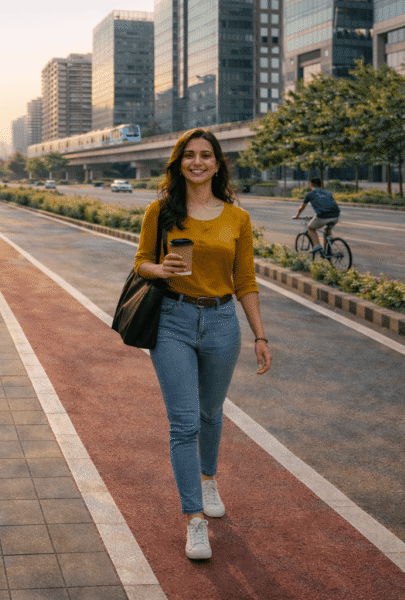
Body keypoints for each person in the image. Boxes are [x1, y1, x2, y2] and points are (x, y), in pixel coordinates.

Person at [135, 128, 272, 561]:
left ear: (217, 164)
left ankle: (208, 477)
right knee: (184, 422)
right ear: (179, 163)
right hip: (173, 320)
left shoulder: (238, 218)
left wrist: (260, 335)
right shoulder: (161, 212)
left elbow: (246, 281)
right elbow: (140, 262)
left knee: (212, 413)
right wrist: (160, 269)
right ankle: (194, 520)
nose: (198, 162)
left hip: (221, 323)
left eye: (206, 156)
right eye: (189, 156)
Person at [292, 177, 340, 257]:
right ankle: (330, 251)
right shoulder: (328, 193)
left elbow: (302, 207)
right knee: (327, 231)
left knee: (310, 228)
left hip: (323, 216)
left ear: (311, 184)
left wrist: (297, 216)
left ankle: (316, 246)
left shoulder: (310, 194)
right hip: (336, 216)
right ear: (321, 184)